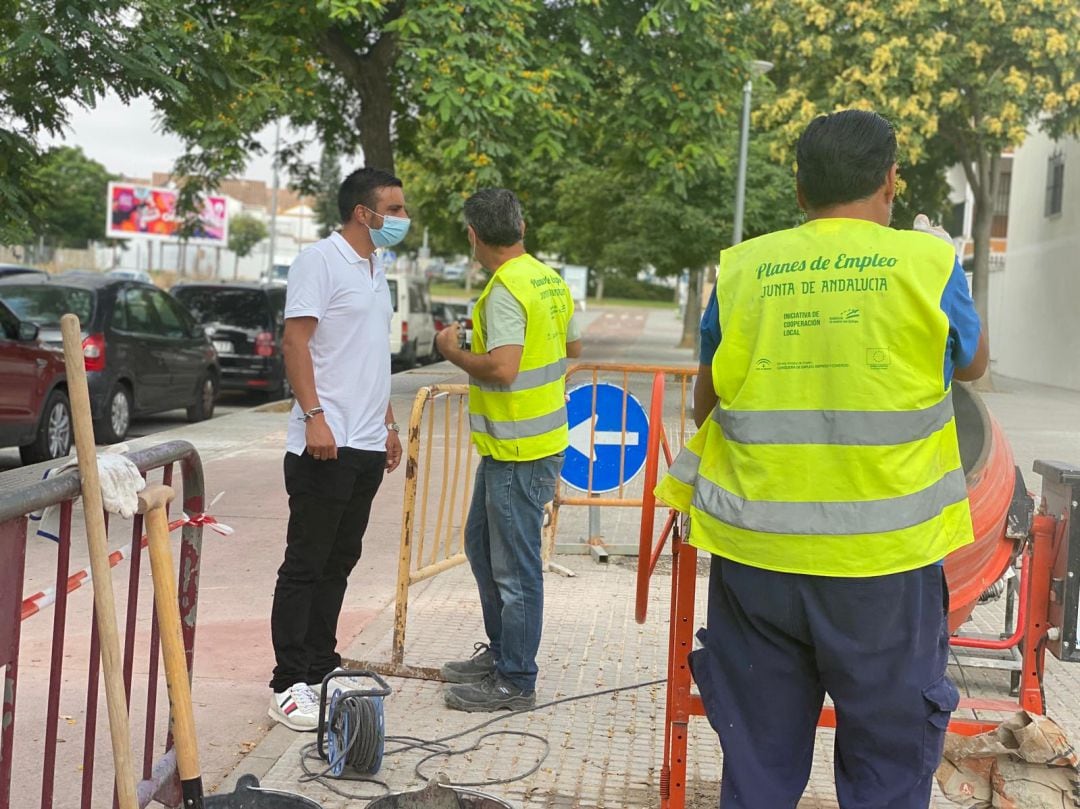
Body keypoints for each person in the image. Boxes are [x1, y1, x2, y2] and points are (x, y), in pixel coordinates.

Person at [656, 109, 989, 808]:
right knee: (886, 772)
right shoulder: (927, 264)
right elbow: (974, 363)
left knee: (759, 768)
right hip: (883, 569)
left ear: (800, 191)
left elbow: (705, 404)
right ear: (892, 181)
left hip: (757, 564)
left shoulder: (746, 268)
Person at [267, 167, 407, 731]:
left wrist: (390, 422)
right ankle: (287, 681)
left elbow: (370, 354)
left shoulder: (379, 267)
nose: (402, 219)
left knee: (339, 561)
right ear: (362, 213)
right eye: (394, 210)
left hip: (368, 441)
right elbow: (295, 341)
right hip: (324, 442)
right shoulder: (318, 262)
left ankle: (322, 665)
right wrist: (315, 417)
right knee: (306, 562)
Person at [435, 188, 583, 712]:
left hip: (520, 451)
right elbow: (573, 348)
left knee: (515, 571)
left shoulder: (504, 290)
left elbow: (503, 368)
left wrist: (453, 351)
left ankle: (516, 679)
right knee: (480, 546)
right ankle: (501, 653)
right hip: (516, 447)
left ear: (474, 236)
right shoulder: (547, 278)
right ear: (520, 226)